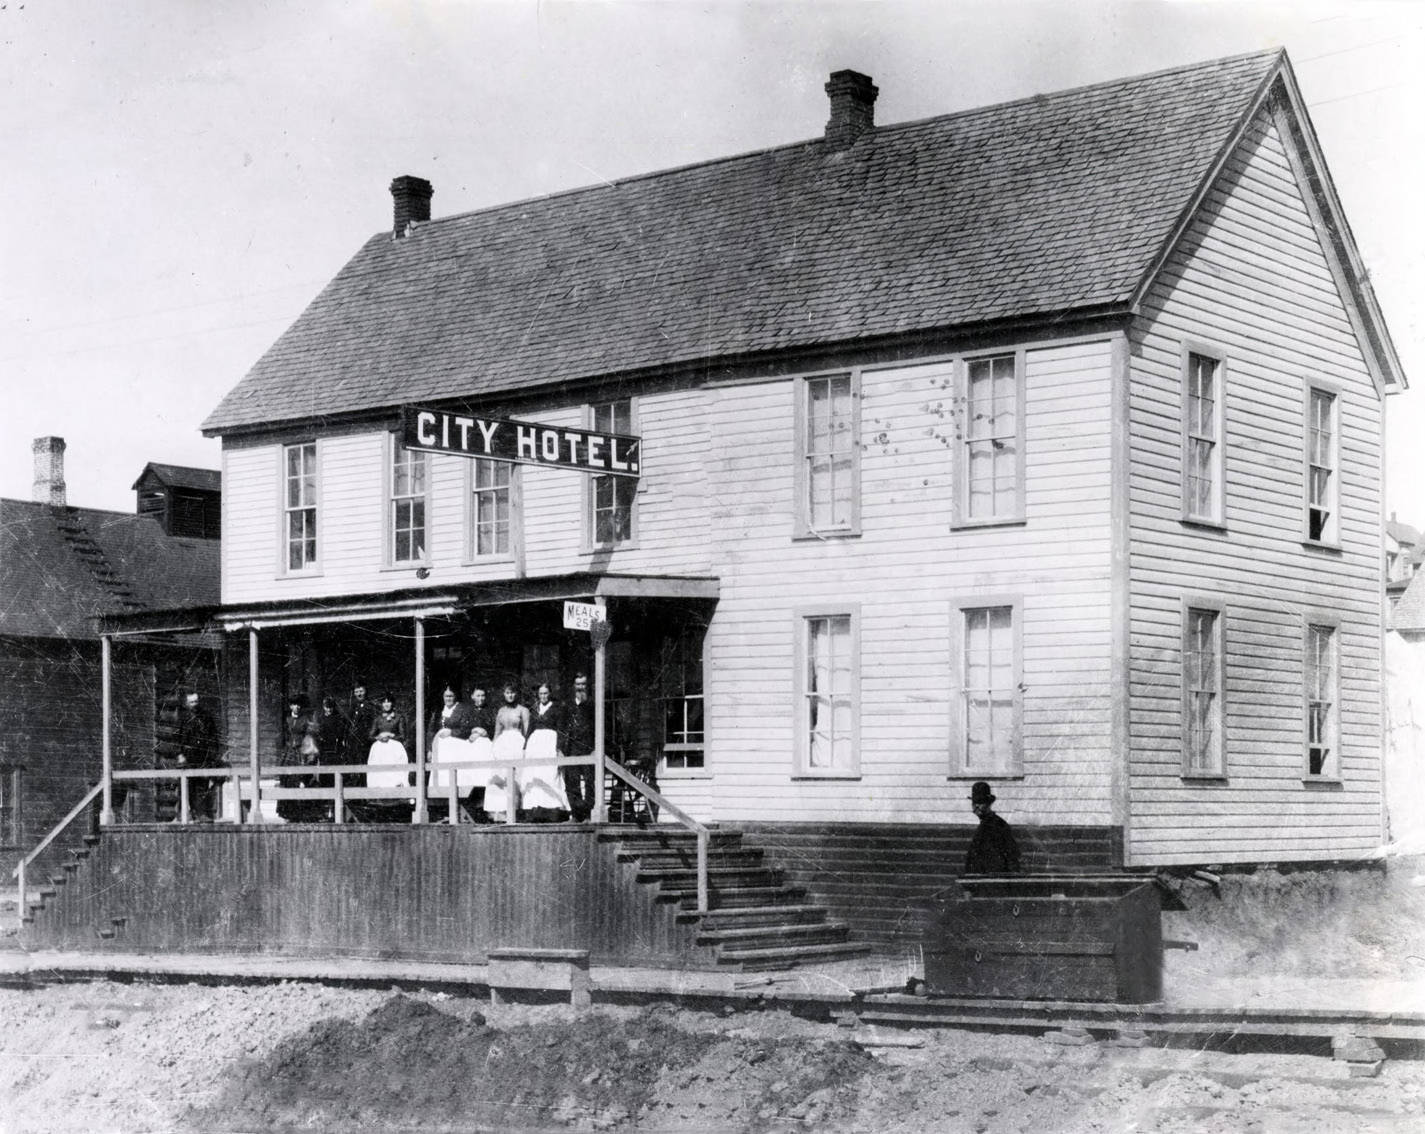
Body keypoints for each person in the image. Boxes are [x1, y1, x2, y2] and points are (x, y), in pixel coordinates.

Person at [520, 682, 569, 822]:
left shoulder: (557, 708)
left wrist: (559, 748)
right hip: (535, 745)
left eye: (546, 693)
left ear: (550, 694)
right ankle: (535, 808)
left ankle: (553, 809)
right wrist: (525, 747)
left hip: (549, 743)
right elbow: (529, 729)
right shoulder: (534, 709)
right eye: (541, 693)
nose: (543, 696)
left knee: (550, 774)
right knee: (534, 774)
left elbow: (561, 730)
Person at [363, 693, 412, 822]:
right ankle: (379, 797)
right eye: (384, 702)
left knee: (394, 773)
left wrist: (390, 735)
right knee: (379, 773)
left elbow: (403, 735)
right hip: (380, 749)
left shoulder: (398, 717)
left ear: (392, 704)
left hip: (394, 748)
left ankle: (396, 797)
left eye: (388, 702)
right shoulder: (378, 719)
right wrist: (379, 737)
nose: (386, 704)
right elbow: (370, 735)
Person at [486, 682, 529, 821]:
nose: (510, 695)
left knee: (516, 776)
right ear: (504, 694)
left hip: (517, 742)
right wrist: (493, 748)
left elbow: (527, 731)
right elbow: (497, 732)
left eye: (512, 692)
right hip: (503, 744)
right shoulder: (501, 711)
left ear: (516, 694)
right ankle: (500, 813)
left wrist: (525, 747)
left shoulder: (523, 710)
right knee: (501, 776)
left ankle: (516, 810)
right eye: (507, 693)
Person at [176, 690, 220, 821]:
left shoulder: (206, 718)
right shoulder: (183, 719)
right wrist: (180, 754)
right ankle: (183, 814)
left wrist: (212, 756)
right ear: (186, 703)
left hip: (202, 757)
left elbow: (213, 738)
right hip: (187, 757)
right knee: (186, 786)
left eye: (196, 701)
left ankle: (201, 814)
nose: (194, 704)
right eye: (191, 702)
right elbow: (177, 738)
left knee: (202, 786)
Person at [279, 694, 321, 823]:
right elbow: (283, 737)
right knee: (288, 781)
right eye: (294, 704)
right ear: (290, 706)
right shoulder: (286, 719)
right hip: (289, 753)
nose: (296, 707)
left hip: (300, 752)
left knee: (301, 780)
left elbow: (309, 737)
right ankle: (288, 813)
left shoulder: (305, 720)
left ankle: (301, 813)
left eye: (298, 705)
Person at [963, 781, 1021, 874]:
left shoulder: (997, 825)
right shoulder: (983, 825)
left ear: (988, 804)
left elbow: (1004, 857)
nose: (977, 806)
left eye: (981, 802)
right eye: (974, 802)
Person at [562, 674, 596, 823]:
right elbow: (561, 728)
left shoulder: (592, 704)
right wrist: (561, 749)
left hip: (589, 748)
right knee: (572, 782)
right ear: (574, 686)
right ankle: (576, 814)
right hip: (572, 749)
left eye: (583, 684)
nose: (581, 687)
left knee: (589, 782)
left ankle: (588, 814)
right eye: (578, 684)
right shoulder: (568, 706)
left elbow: (599, 728)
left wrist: (596, 747)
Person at [315, 696, 348, 820]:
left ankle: (335, 810)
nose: (328, 710)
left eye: (330, 707)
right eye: (326, 707)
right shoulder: (321, 719)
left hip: (335, 753)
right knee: (325, 781)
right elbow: (318, 736)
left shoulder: (339, 719)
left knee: (336, 781)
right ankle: (325, 811)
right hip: (324, 754)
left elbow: (342, 734)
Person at [347, 681, 377, 761]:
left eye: (361, 691)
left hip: (365, 742)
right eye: (356, 692)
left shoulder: (370, 706)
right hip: (353, 742)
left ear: (365, 691)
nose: (359, 694)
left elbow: (374, 725)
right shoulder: (353, 707)